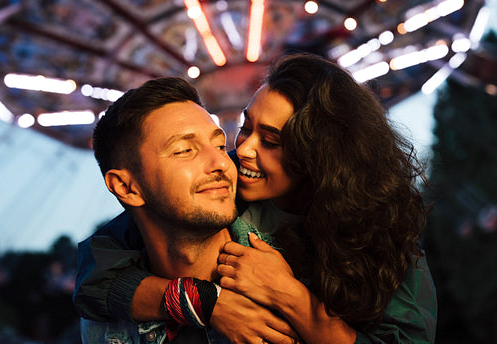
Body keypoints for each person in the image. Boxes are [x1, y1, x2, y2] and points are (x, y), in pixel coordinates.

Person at [75, 53, 437, 343]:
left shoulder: (381, 238)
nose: (239, 152)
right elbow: (95, 269)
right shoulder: (221, 184)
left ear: (321, 160)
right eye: (244, 128)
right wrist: (206, 303)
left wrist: (290, 297)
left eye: (271, 141)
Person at [79, 76, 298, 343]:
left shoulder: (306, 264)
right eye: (184, 150)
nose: (224, 162)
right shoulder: (104, 331)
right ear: (126, 187)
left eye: (220, 145)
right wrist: (199, 301)